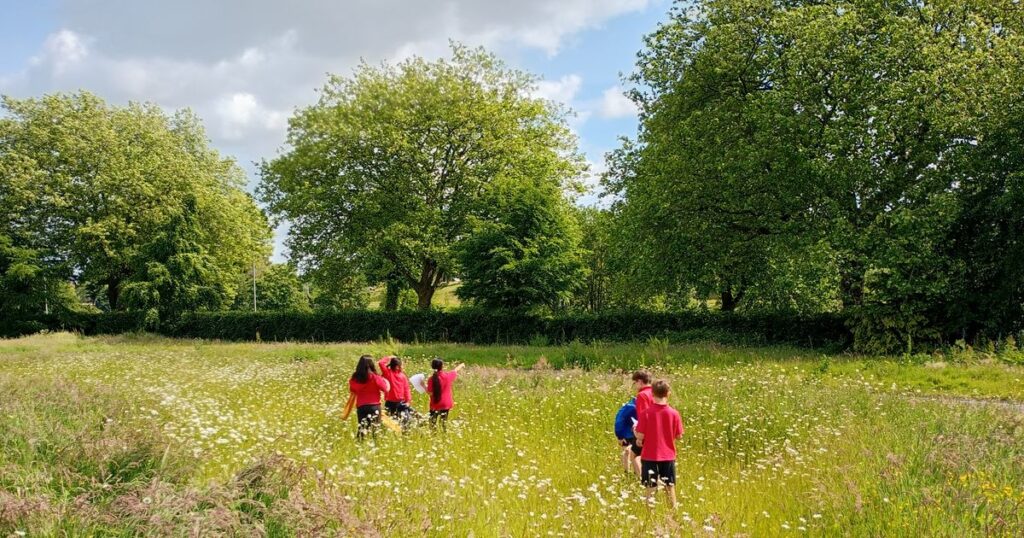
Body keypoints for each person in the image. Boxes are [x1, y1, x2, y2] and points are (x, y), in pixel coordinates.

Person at [634, 380, 684, 508]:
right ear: (668, 394)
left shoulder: (646, 413)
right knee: (669, 485)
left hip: (649, 455)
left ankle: (649, 514)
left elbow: (640, 436)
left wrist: (636, 433)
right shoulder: (674, 413)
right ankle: (673, 512)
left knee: (650, 487)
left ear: (652, 393)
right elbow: (679, 436)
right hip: (668, 455)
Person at [348, 355, 390, 440]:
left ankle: (360, 444)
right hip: (374, 406)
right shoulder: (374, 377)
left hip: (361, 406)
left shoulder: (355, 377)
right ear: (371, 364)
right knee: (376, 429)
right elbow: (384, 388)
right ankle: (376, 445)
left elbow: (353, 389)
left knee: (362, 428)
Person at [425, 358, 465, 431]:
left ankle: (433, 436)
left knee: (432, 422)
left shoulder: (431, 379)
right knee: (443, 422)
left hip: (435, 404)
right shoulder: (447, 376)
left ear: (432, 366)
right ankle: (444, 433)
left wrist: (422, 385)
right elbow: (455, 370)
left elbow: (430, 393)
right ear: (442, 366)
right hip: (446, 404)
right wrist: (461, 365)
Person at [377, 355, 416, 427]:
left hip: (397, 403)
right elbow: (406, 389)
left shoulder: (399, 375)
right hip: (395, 403)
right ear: (397, 366)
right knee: (392, 423)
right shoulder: (389, 373)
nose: (403, 366)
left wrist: (407, 401)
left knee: (394, 422)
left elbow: (406, 389)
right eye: (402, 365)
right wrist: (407, 401)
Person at [614, 397, 641, 475]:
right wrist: (620, 436)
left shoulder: (636, 406)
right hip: (627, 433)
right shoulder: (630, 407)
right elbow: (619, 421)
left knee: (633, 453)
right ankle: (627, 473)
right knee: (628, 451)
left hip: (636, 433)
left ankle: (635, 473)